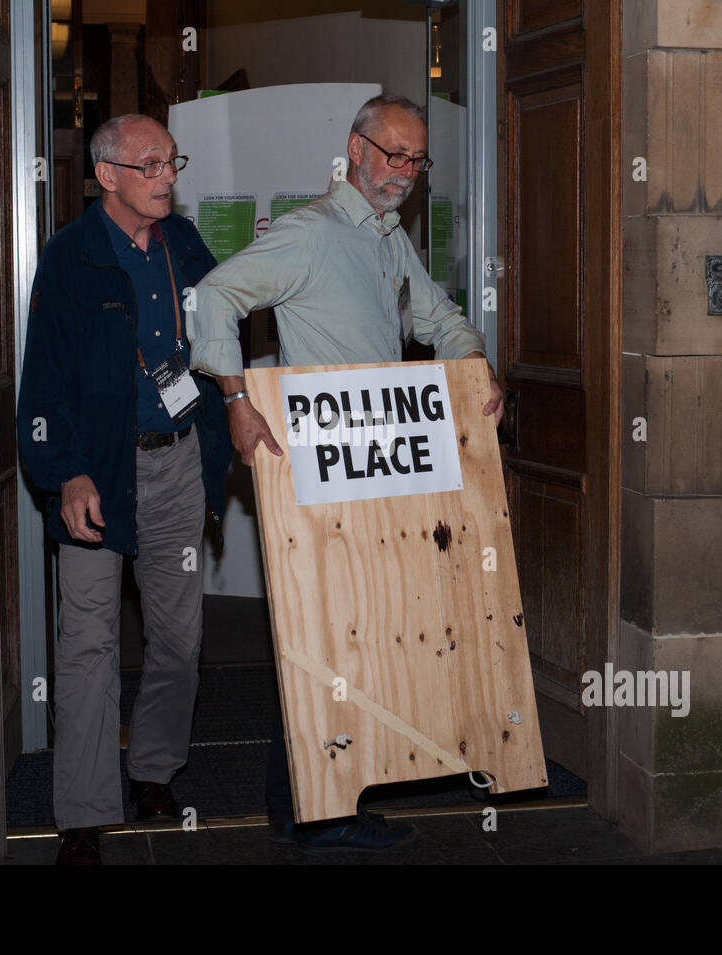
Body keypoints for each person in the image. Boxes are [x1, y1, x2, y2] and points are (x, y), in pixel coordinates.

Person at [188, 93, 503, 851]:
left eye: (417, 160)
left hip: (379, 465)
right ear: (356, 150)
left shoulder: (388, 239)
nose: (406, 172)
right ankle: (310, 810)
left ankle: (332, 797)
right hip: (324, 472)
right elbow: (214, 296)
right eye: (393, 154)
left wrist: (473, 360)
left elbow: (435, 315)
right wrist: (234, 397)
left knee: (359, 635)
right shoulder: (310, 233)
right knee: (322, 638)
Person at [17, 114, 231, 866]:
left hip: (176, 466)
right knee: (88, 643)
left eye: (173, 162)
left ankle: (153, 769)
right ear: (107, 175)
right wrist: (65, 472)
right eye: (151, 165)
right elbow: (43, 383)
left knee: (178, 638)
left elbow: (224, 326)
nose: (168, 176)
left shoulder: (186, 244)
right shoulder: (70, 258)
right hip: (97, 474)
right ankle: (81, 809)